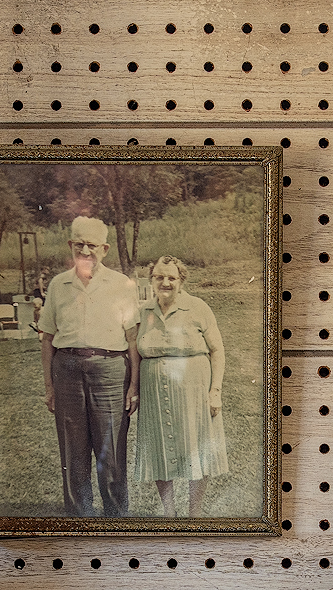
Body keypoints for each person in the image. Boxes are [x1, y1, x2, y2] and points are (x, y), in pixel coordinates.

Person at [38, 217, 140, 518]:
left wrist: (134, 386)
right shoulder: (58, 284)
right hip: (66, 369)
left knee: (110, 451)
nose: (85, 250)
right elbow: (47, 339)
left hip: (110, 371)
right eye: (78, 243)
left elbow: (133, 340)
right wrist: (49, 387)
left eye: (92, 245)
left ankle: (115, 515)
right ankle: (79, 515)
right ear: (70, 245)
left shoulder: (121, 284)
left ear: (104, 249)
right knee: (74, 450)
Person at [129, 257, 228, 517]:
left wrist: (215, 391)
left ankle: (194, 512)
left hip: (193, 389)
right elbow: (136, 354)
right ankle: (169, 512)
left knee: (197, 448)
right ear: (151, 280)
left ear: (181, 281)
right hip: (154, 392)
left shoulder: (197, 307)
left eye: (172, 278)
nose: (165, 282)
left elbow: (217, 350)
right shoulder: (144, 312)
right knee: (159, 449)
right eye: (159, 277)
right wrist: (134, 389)